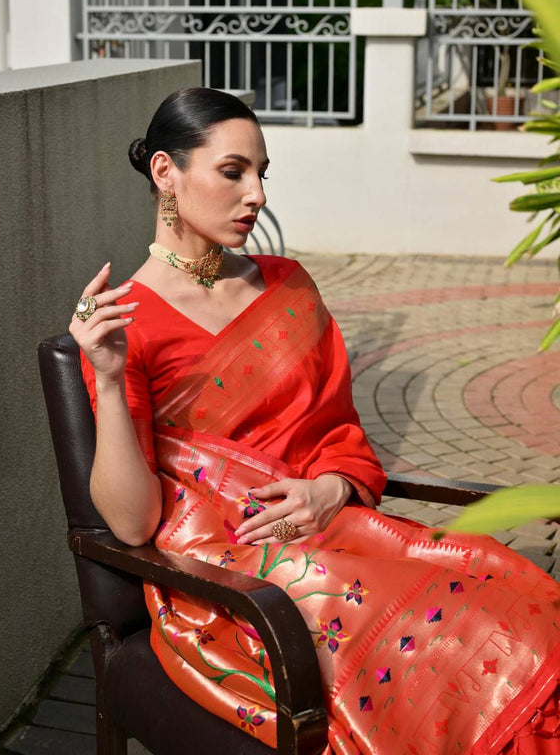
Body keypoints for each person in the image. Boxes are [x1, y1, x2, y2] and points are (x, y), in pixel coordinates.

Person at [72, 87, 560, 754]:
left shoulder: (288, 285)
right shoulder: (125, 325)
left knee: (509, 589)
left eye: (262, 174)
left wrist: (328, 489)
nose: (256, 195)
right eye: (233, 171)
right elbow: (132, 524)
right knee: (454, 634)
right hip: (237, 583)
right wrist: (105, 375)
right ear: (166, 172)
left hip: (339, 530)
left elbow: (340, 435)